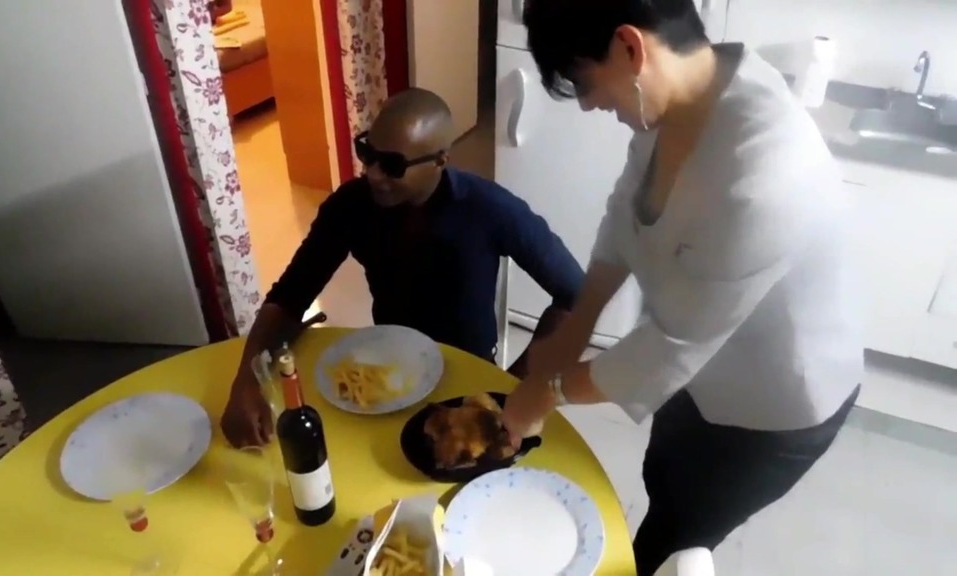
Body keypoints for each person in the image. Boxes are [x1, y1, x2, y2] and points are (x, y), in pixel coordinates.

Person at [499, 1, 864, 574]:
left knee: (680, 533)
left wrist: (547, 391)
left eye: (583, 82)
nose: (589, 104)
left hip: (772, 406)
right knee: (664, 474)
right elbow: (625, 214)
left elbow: (669, 350)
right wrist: (577, 325)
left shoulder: (764, 175)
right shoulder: (677, 98)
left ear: (629, 47)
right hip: (699, 364)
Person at [221, 88, 584, 448]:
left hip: (468, 375)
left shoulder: (490, 210)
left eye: (392, 165)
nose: (373, 174)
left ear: (440, 160)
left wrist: (514, 384)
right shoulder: (351, 206)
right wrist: (246, 381)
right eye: (367, 153)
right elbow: (289, 297)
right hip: (387, 375)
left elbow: (576, 295)